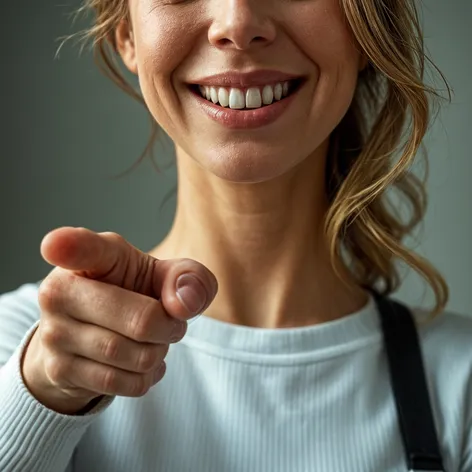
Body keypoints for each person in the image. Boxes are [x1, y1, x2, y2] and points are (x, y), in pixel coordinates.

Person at [0, 0, 470, 470]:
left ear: (367, 27)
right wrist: (42, 400)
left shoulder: (461, 385)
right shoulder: (18, 348)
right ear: (127, 33)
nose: (237, 24)